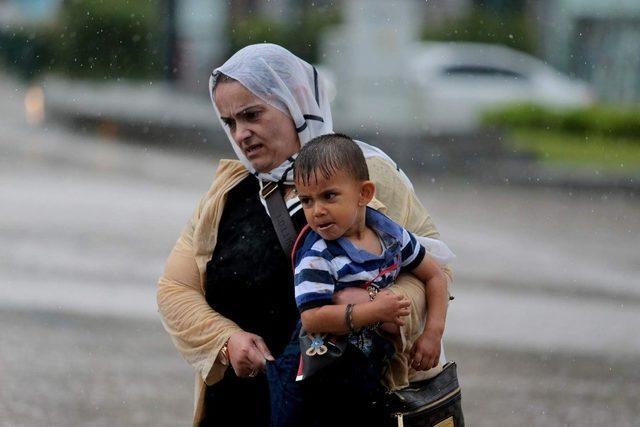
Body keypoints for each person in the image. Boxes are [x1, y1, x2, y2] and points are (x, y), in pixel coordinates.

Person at [156, 43, 454, 426]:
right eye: (230, 122)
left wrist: (369, 306)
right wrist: (225, 341)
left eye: (252, 115)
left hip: (339, 406)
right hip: (239, 407)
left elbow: (433, 271)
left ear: (295, 100)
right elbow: (175, 289)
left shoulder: (364, 174)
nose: (242, 134)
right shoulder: (227, 193)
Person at [266, 134, 450, 426]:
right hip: (315, 375)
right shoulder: (317, 255)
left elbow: (435, 276)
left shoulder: (390, 235)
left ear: (364, 193)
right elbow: (312, 318)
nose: (317, 210)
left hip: (366, 369)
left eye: (329, 196)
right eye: (306, 201)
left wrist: (432, 335)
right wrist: (372, 312)